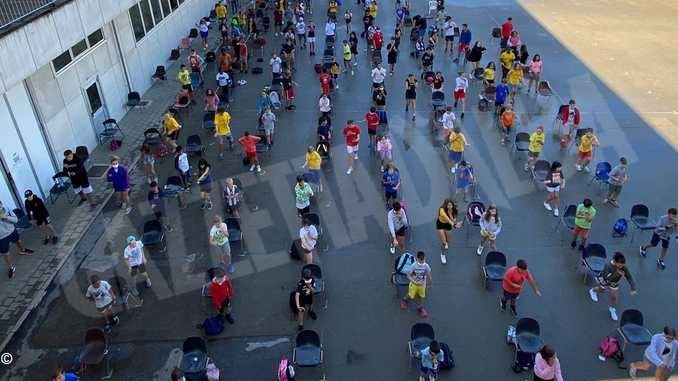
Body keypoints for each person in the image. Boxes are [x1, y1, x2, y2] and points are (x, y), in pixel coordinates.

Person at [588, 252, 637, 321]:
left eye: (623, 265)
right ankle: (593, 290)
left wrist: (633, 288)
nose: (621, 267)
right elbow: (607, 278)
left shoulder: (623, 267)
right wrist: (617, 273)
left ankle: (612, 309)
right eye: (620, 265)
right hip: (604, 280)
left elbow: (629, 277)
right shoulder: (608, 266)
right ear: (614, 261)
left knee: (614, 296)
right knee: (602, 290)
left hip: (614, 282)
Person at [400, 251, 432, 317]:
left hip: (422, 285)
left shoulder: (426, 266)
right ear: (417, 259)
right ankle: (404, 300)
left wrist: (429, 284)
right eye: (421, 261)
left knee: (420, 297)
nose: (422, 262)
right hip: (414, 284)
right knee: (410, 295)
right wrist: (413, 281)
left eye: (423, 260)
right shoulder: (414, 266)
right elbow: (408, 275)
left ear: (425, 258)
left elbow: (429, 275)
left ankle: (420, 308)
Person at [437, 199, 462, 264]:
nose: (450, 206)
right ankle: (442, 254)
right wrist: (455, 225)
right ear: (445, 205)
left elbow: (453, 220)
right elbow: (448, 219)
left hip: (448, 225)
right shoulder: (441, 210)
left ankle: (446, 242)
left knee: (448, 240)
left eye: (451, 205)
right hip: (440, 225)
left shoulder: (454, 210)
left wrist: (456, 223)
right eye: (448, 205)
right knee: (444, 243)